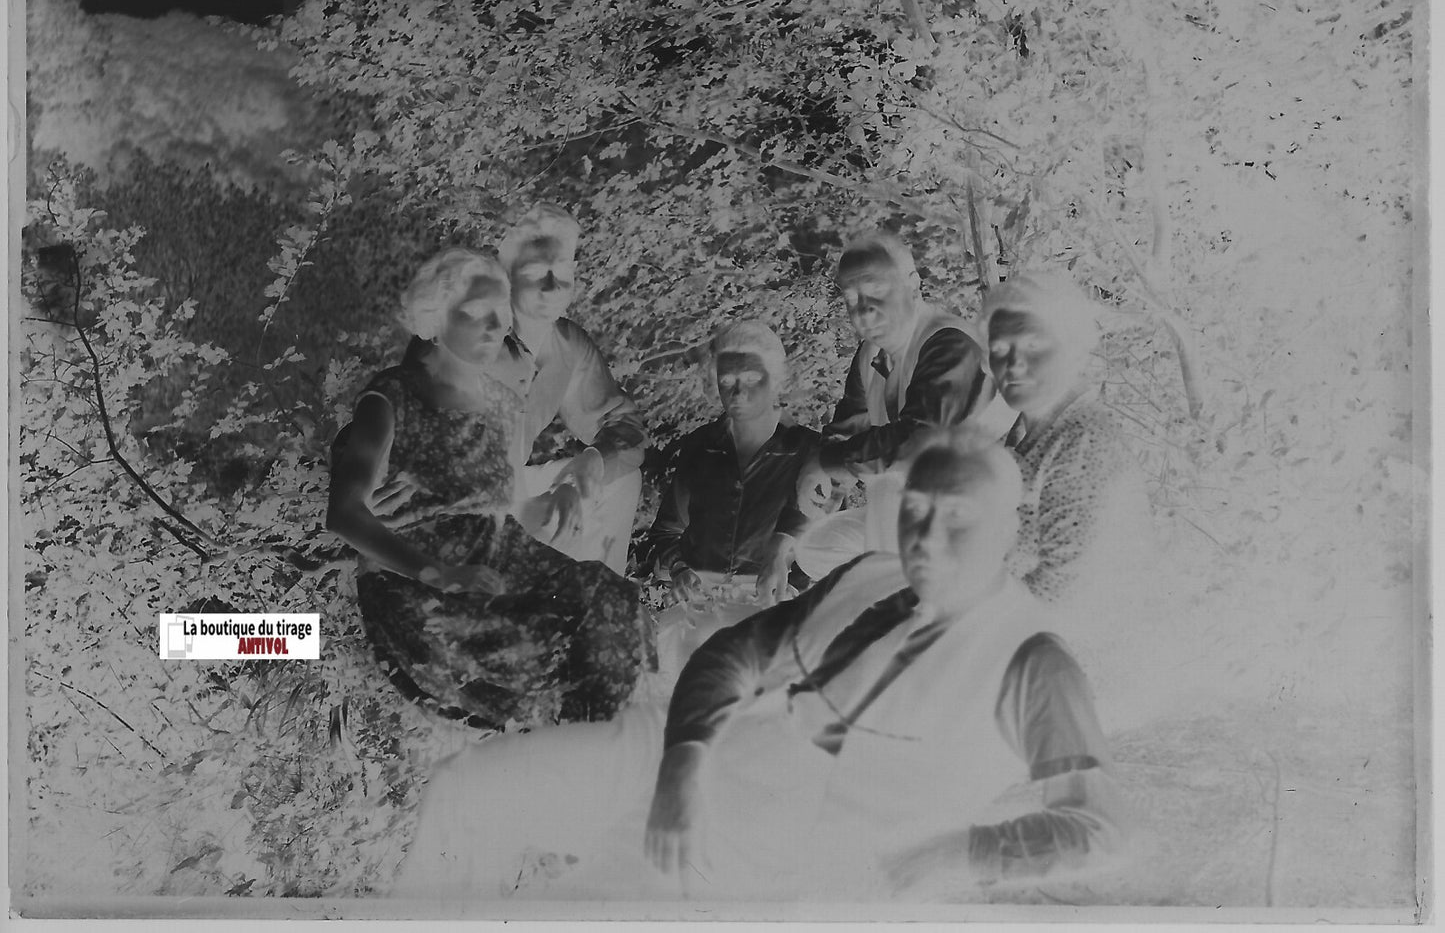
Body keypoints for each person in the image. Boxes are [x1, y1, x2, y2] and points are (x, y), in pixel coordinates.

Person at [395, 434, 1128, 901]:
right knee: (467, 792)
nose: (927, 535)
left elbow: (1098, 828)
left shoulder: (1031, 658)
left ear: (1008, 530)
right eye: (917, 509)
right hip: (679, 751)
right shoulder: (872, 573)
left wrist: (954, 851)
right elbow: (735, 653)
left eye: (958, 515)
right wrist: (680, 767)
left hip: (759, 847)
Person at [327, 248, 653, 730]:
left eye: (500, 313)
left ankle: (595, 742)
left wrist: (560, 497)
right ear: (437, 318)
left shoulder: (504, 400)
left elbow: (512, 503)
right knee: (532, 644)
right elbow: (345, 510)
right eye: (475, 312)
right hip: (418, 577)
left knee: (612, 603)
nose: (493, 326)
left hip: (497, 551)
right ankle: (550, 737)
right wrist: (440, 572)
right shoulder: (394, 394)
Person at [792, 231, 998, 578]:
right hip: (905, 515)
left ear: (913, 285)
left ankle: (901, 591)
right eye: (851, 297)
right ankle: (886, 582)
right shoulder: (872, 352)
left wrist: (829, 461)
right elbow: (847, 427)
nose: (863, 310)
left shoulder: (949, 345)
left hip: (967, 518)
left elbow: (917, 442)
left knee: (891, 489)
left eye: (876, 290)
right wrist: (827, 484)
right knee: (816, 547)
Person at [643, 321, 819, 673]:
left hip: (772, 606)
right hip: (699, 608)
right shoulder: (700, 446)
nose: (737, 392)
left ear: (777, 380)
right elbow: (666, 531)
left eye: (752, 378)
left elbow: (819, 541)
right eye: (727, 381)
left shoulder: (809, 451)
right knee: (668, 675)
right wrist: (679, 569)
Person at [492, 204, 649, 574]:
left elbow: (627, 428)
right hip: (454, 495)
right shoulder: (481, 336)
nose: (552, 287)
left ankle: (601, 595)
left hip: (510, 486)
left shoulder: (568, 344)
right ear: (508, 276)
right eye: (535, 273)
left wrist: (591, 462)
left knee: (617, 477)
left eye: (562, 271)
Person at [978, 272, 1152, 602]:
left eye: (1032, 345)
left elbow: (1060, 591)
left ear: (1072, 348)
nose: (1012, 363)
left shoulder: (1085, 440)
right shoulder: (1019, 434)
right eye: (999, 348)